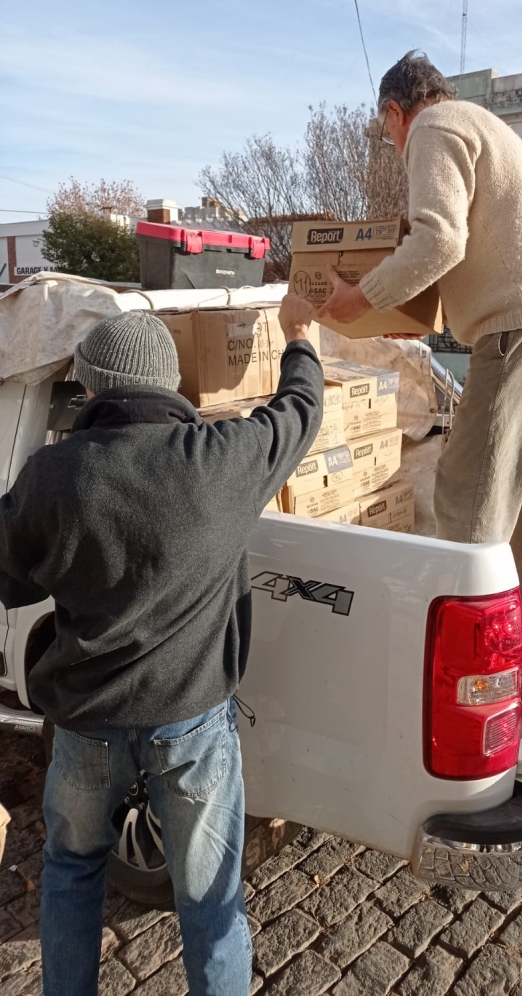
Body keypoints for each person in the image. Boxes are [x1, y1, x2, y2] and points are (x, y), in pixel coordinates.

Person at [0, 297, 323, 996]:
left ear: (91, 387)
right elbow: (300, 411)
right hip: (193, 727)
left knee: (72, 873)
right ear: (170, 384)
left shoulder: (53, 477)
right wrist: (299, 338)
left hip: (85, 730)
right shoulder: (224, 458)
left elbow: (7, 577)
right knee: (210, 905)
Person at [320, 50, 522, 601]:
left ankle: (464, 628)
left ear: (395, 112)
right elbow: (488, 244)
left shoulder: (433, 126)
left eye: (386, 132)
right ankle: (509, 618)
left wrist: (362, 299)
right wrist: (424, 320)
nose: (393, 144)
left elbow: (440, 240)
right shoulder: (480, 121)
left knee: (469, 486)